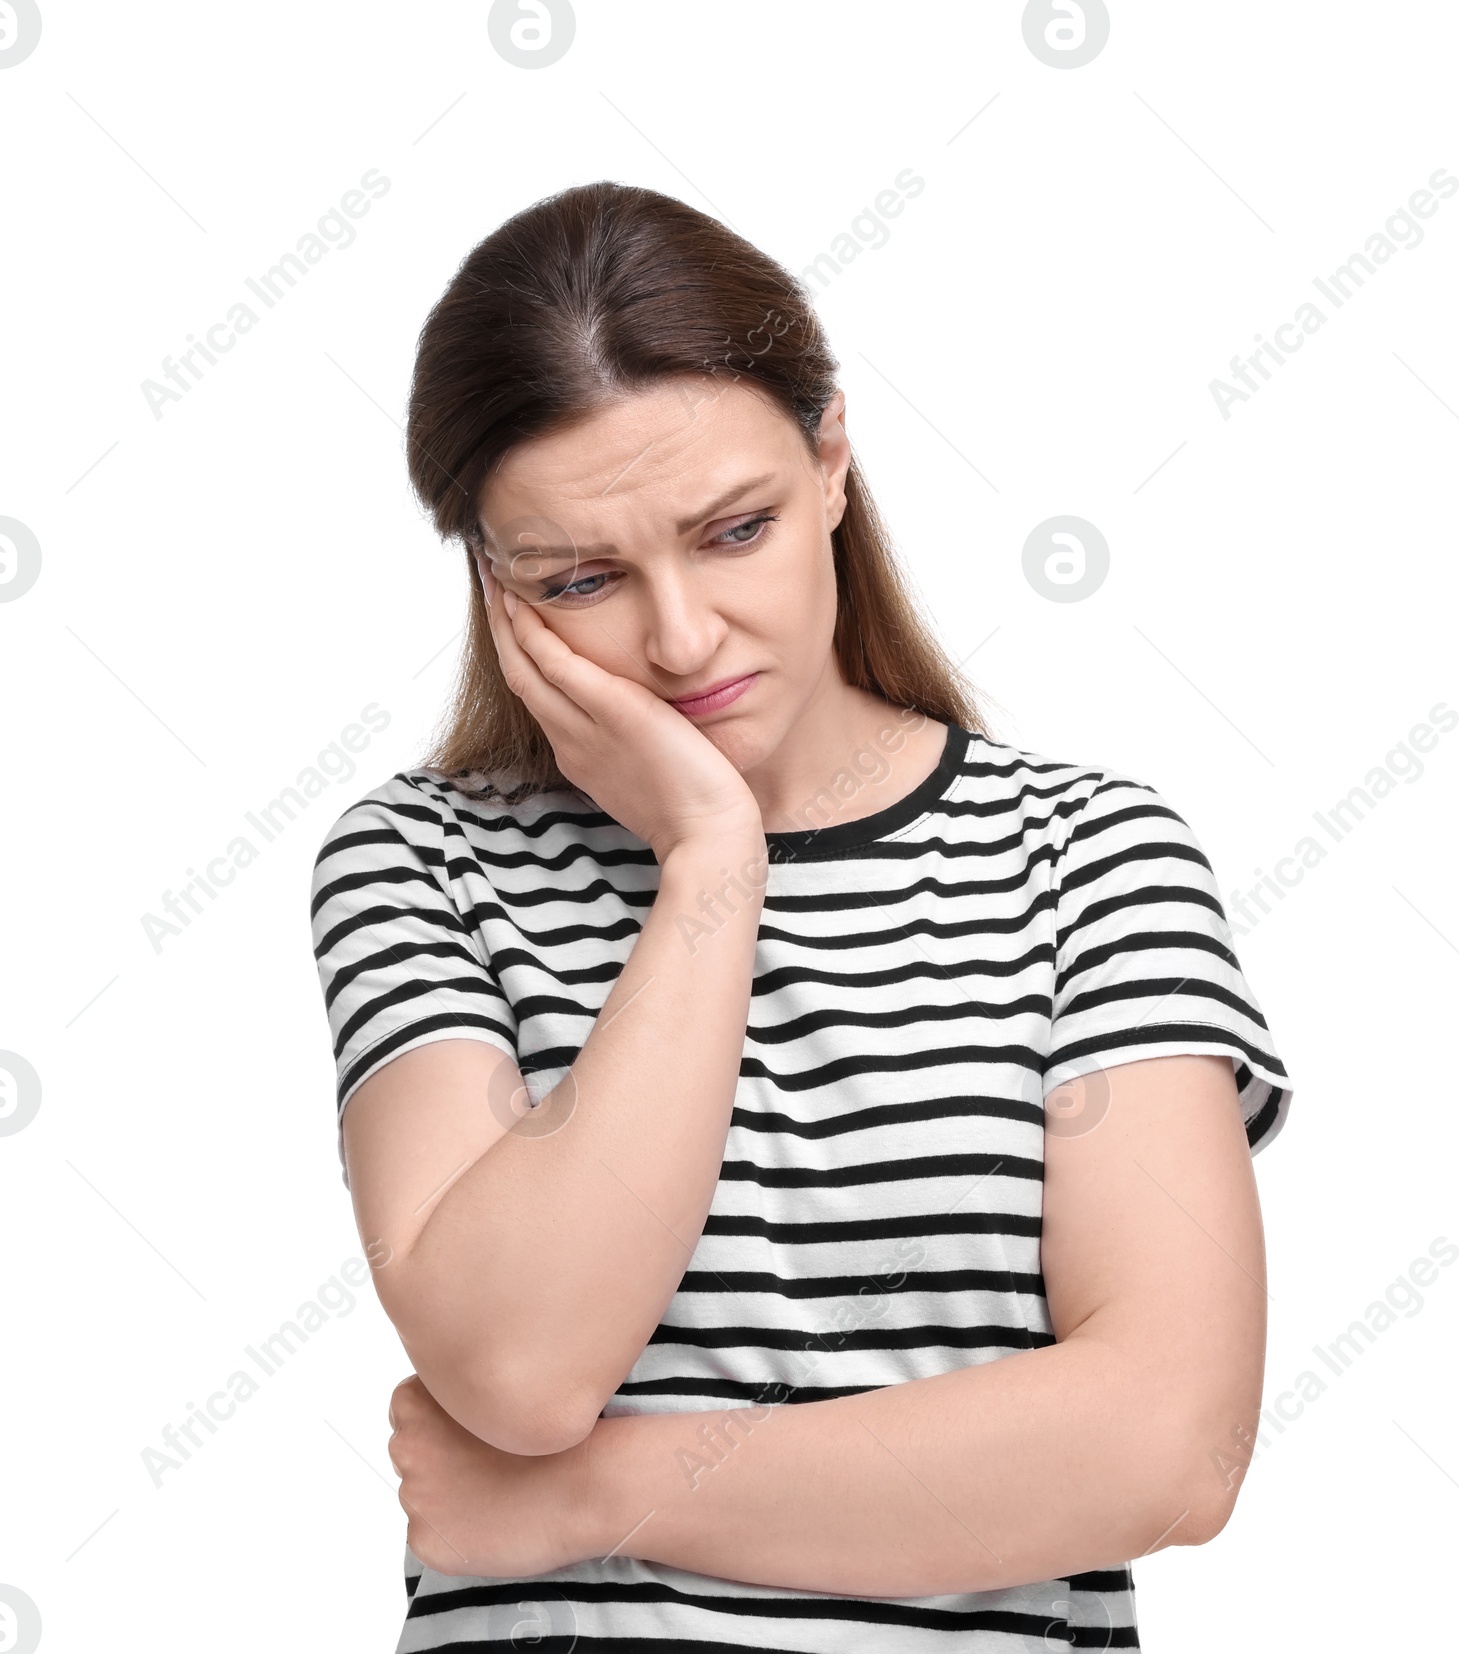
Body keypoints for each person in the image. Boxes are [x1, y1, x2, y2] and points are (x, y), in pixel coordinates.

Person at [308, 180, 1295, 1652]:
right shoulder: (423, 861)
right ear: (491, 584)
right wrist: (712, 858)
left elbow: (1168, 1446)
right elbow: (521, 1365)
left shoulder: (1089, 856)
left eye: (734, 529)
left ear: (832, 457)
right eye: (583, 578)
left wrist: (591, 1498)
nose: (682, 638)